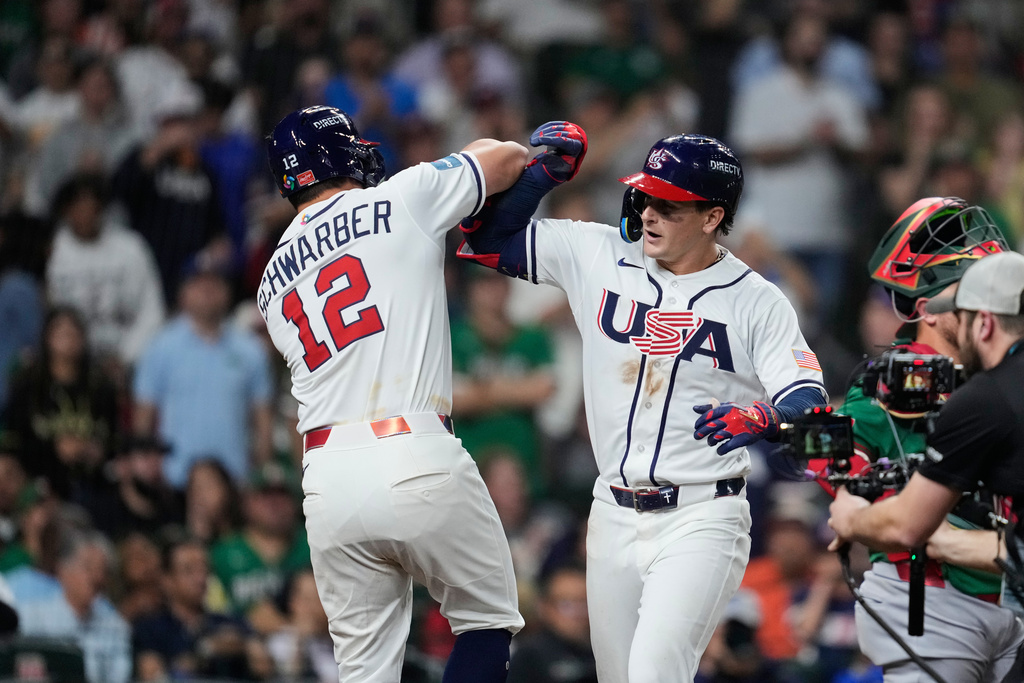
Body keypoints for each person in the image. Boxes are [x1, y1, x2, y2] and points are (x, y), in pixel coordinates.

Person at [456, 121, 827, 682]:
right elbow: (484, 244)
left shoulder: (756, 299)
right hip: (611, 511)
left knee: (655, 672)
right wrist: (539, 179)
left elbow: (807, 396)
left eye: (671, 206)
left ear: (712, 218)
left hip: (702, 513)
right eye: (647, 197)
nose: (650, 213)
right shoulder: (599, 252)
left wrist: (765, 416)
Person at [256, 105, 527, 681]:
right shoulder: (402, 197)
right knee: (486, 620)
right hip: (414, 451)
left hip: (327, 478)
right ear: (340, 154)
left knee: (364, 669)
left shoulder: (269, 278)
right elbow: (507, 158)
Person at [836, 196, 1021, 681]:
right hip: (931, 596)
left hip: (1011, 593)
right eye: (974, 288)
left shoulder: (1007, 376)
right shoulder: (889, 379)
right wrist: (880, 498)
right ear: (928, 308)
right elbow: (840, 463)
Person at [17, 528, 132, 683]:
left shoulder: (115, 625)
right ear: (63, 570)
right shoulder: (30, 618)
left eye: (102, 570)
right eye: (89, 568)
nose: (96, 578)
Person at [507, 562, 596, 683]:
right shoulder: (530, 657)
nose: (578, 613)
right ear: (545, 607)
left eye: (585, 604)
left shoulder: (602, 652)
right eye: (567, 605)